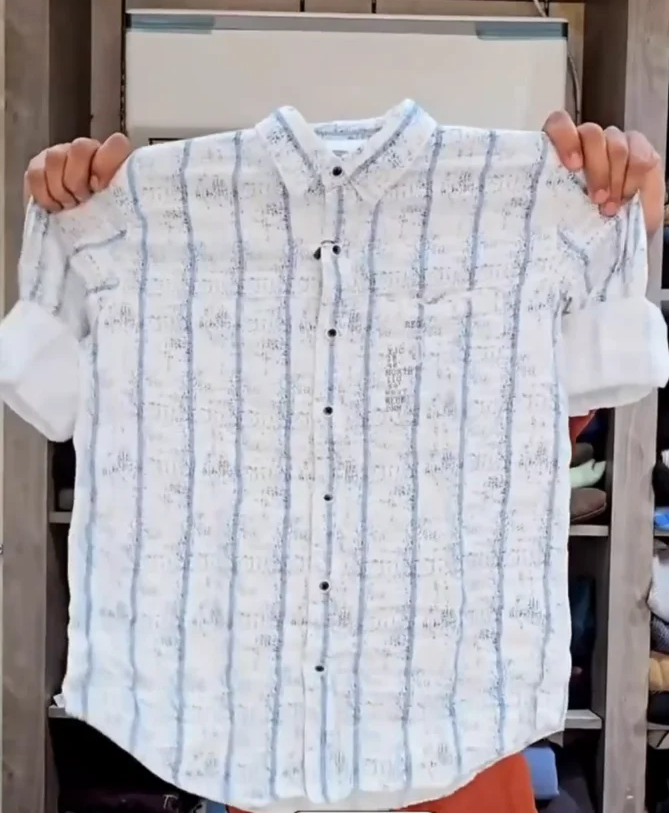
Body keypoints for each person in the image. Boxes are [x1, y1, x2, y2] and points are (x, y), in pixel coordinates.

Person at [20, 110, 665, 813]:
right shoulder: (144, 225)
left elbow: (573, 393)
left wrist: (618, 222)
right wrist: (79, 216)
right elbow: (51, 391)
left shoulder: (528, 220)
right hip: (257, 766)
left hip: (461, 763)